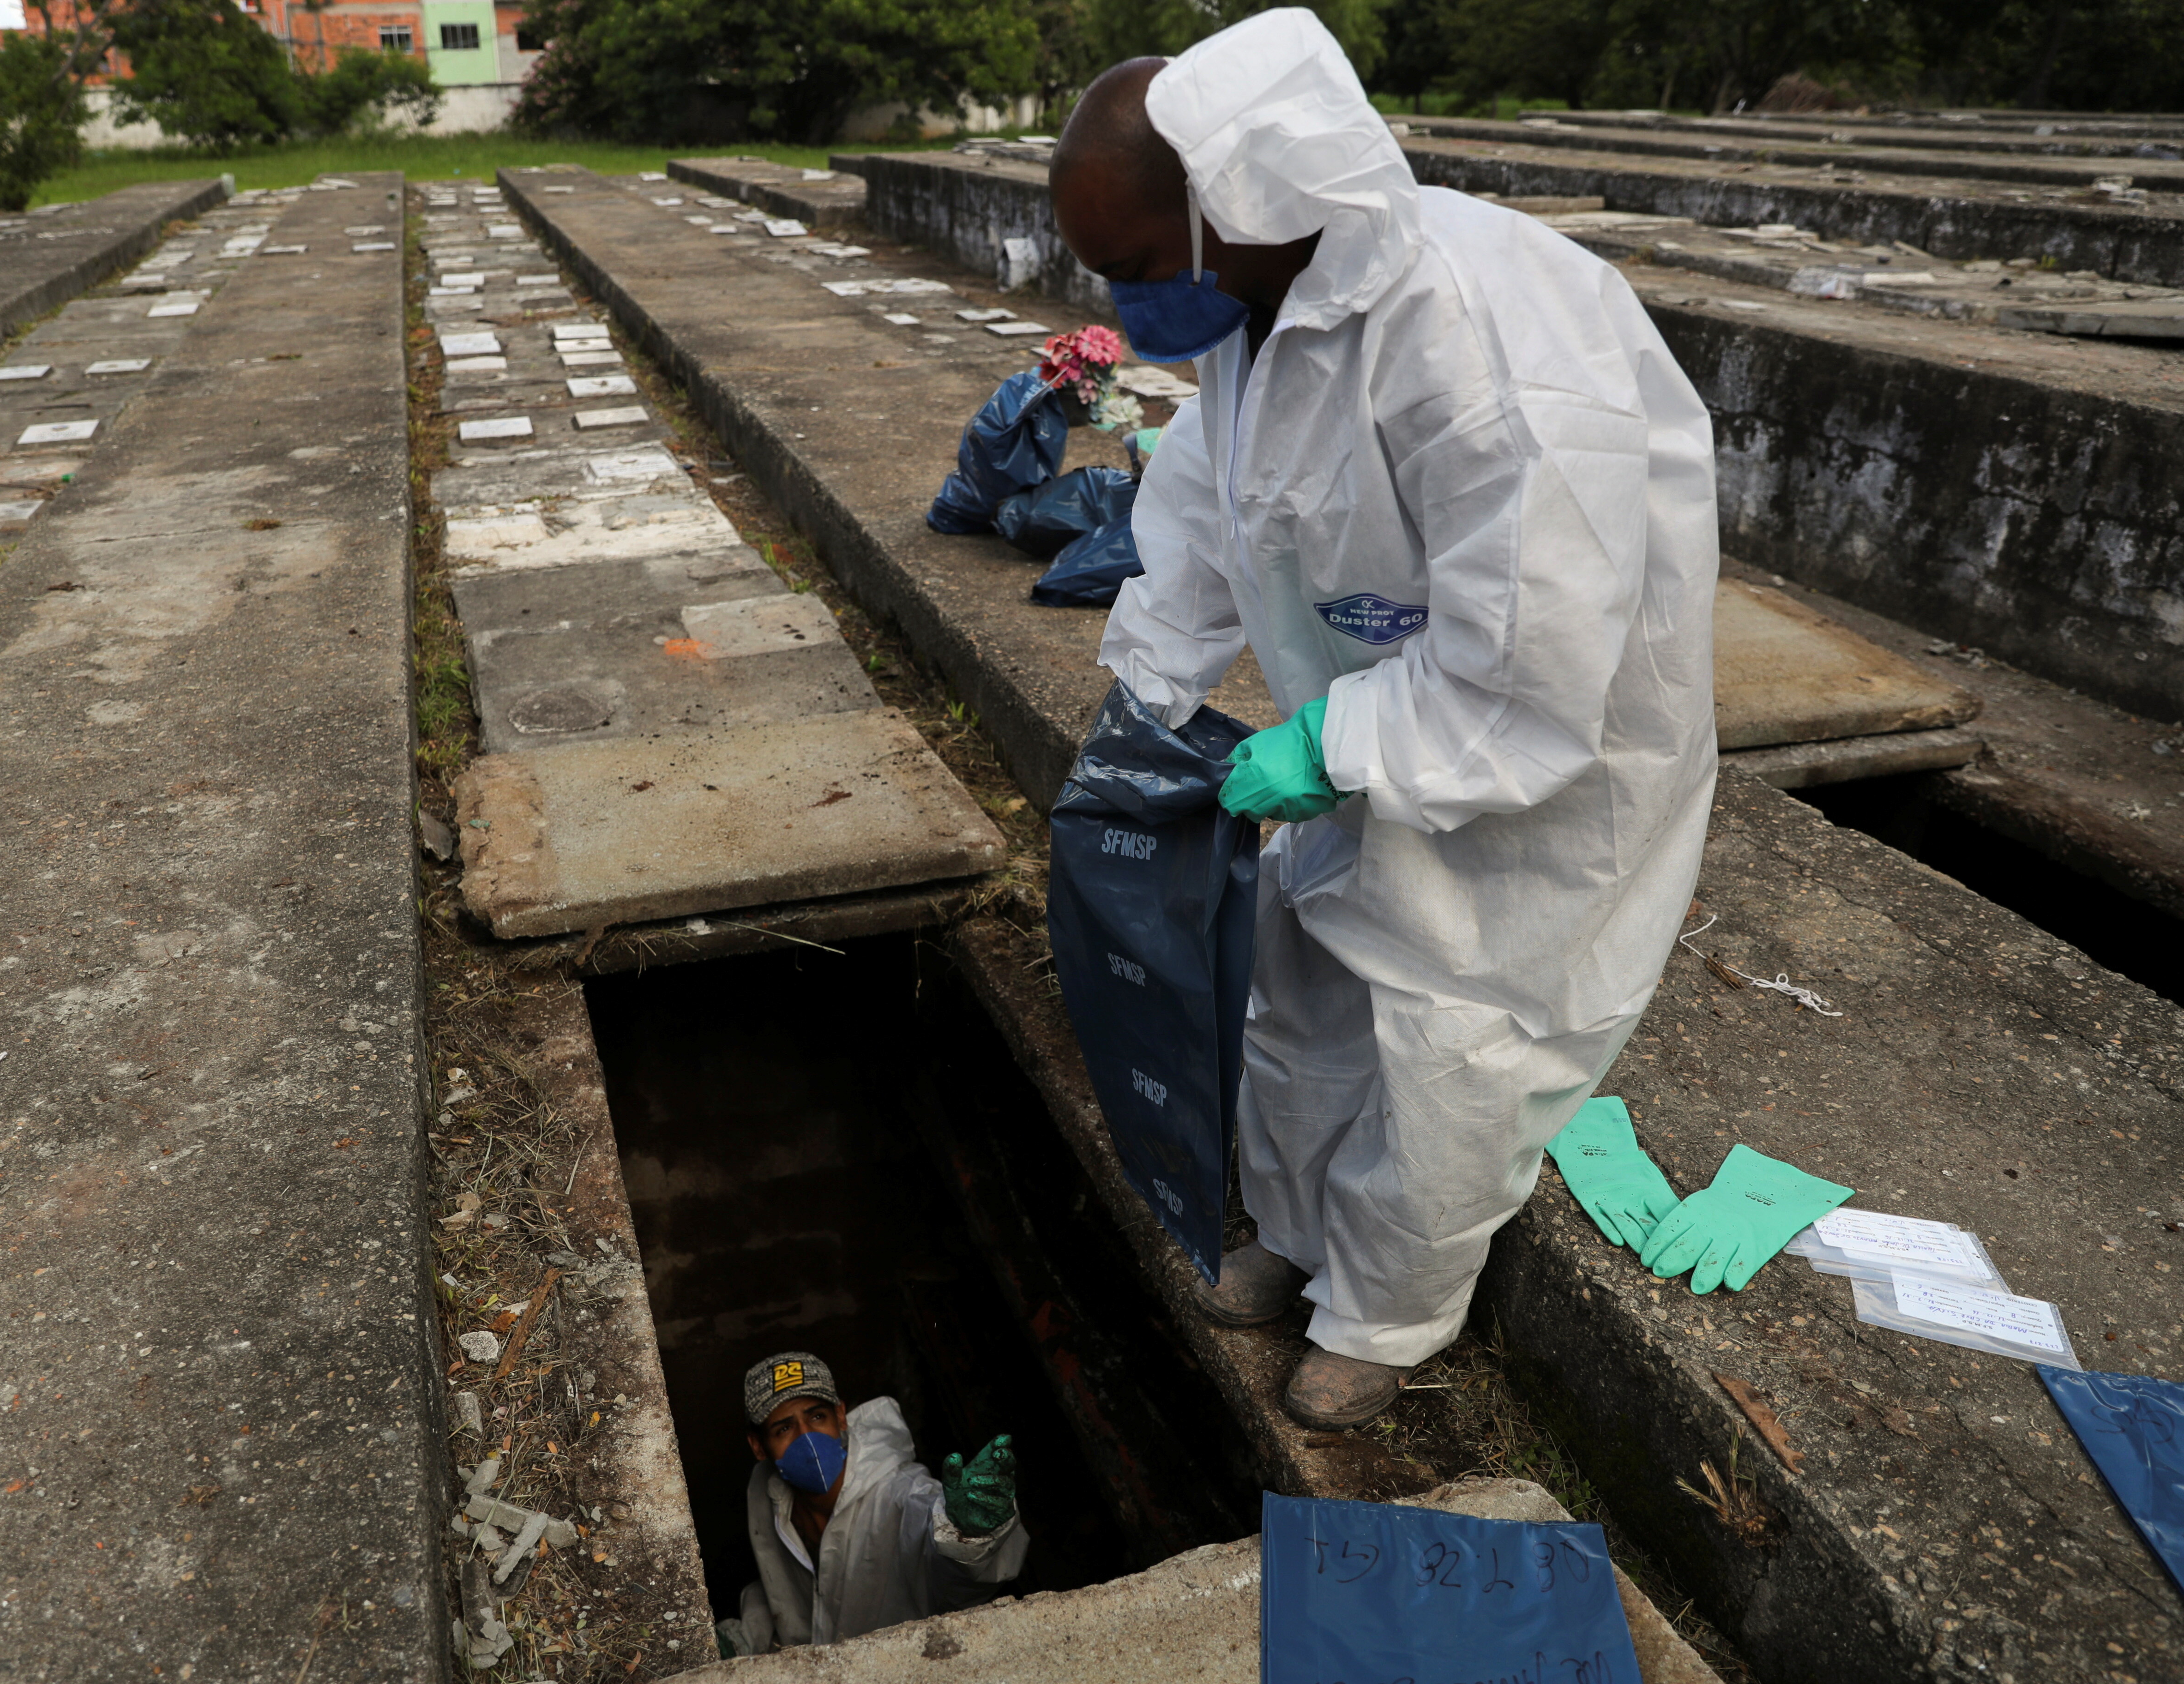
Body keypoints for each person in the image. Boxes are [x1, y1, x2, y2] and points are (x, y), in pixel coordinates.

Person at [1048, 10, 1719, 1430]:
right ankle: (1294, 1232)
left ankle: (1389, 1310)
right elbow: (1209, 517)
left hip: (1540, 766)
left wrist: (1331, 749)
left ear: (1244, 204)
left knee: (1454, 1032)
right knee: (1306, 974)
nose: (1127, 303)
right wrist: (1149, 691)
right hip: (1372, 713)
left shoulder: (1491, 351)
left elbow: (1534, 674)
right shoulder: (1254, 309)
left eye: (1135, 269)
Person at [715, 1351, 1029, 1657]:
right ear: (758, 1446)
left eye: (817, 1416)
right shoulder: (765, 1491)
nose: (807, 1439)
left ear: (840, 1416)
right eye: (784, 1428)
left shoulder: (898, 1492)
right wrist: (746, 1638)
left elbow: (947, 1556)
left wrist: (969, 1533)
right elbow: (785, 1590)